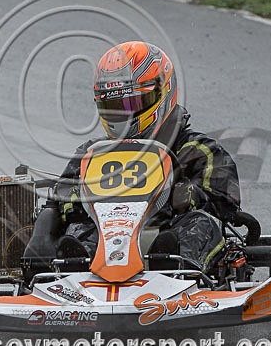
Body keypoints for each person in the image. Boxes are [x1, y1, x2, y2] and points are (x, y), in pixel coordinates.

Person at [54, 40, 246, 273]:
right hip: (107, 236)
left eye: (132, 103)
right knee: (76, 227)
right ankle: (74, 271)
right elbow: (61, 196)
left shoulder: (194, 149)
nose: (123, 113)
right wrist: (76, 199)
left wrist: (190, 194)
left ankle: (175, 268)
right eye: (114, 105)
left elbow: (226, 201)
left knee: (200, 222)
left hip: (168, 234)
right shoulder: (92, 153)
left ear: (163, 93)